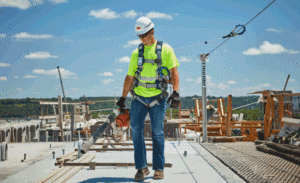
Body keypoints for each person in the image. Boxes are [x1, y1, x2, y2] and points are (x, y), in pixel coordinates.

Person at [116, 16, 180, 181]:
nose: (142, 39)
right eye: (139, 37)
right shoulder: (136, 53)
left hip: (158, 99)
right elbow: (130, 77)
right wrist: (123, 98)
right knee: (136, 130)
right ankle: (142, 168)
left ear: (152, 32)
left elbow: (174, 72)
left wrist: (176, 92)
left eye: (145, 35)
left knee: (157, 132)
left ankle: (159, 168)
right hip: (138, 98)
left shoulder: (166, 50)